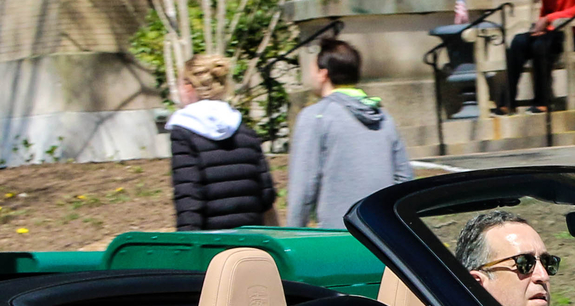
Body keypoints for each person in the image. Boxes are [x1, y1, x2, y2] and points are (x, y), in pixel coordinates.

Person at [286, 37, 412, 227]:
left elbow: (302, 190)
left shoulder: (315, 117)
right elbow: (404, 179)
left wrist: (292, 237)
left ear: (323, 74)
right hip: (385, 238)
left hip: (338, 237)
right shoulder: (383, 117)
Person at [166, 53, 275, 230]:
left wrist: (187, 248)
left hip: (212, 244)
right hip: (252, 240)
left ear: (188, 87)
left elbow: (188, 197)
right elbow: (266, 194)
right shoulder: (246, 131)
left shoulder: (184, 132)